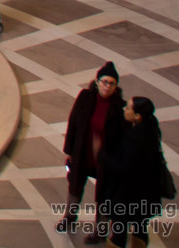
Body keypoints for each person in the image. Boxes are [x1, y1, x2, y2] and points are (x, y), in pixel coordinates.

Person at [59, 62, 126, 236]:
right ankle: (69, 217)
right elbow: (73, 122)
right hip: (83, 153)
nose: (107, 86)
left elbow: (122, 137)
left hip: (105, 159)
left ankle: (101, 229)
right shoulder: (85, 97)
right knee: (75, 187)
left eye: (111, 83)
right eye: (104, 82)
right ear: (97, 81)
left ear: (116, 86)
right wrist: (70, 150)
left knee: (104, 194)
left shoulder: (120, 107)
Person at [101, 95, 170, 247]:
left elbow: (124, 168)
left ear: (137, 116)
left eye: (128, 108)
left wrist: (104, 157)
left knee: (118, 232)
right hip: (146, 193)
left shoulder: (134, 137)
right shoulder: (151, 129)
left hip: (128, 195)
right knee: (140, 227)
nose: (124, 109)